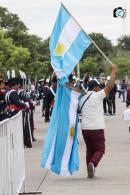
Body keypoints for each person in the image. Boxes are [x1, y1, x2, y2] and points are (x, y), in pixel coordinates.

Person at [79, 64, 117, 178]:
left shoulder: (82, 98)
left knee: (89, 151)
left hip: (85, 128)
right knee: (100, 149)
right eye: (98, 87)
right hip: (96, 128)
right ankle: (93, 163)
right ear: (95, 87)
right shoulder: (97, 95)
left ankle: (90, 171)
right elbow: (110, 85)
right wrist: (113, 71)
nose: (100, 89)